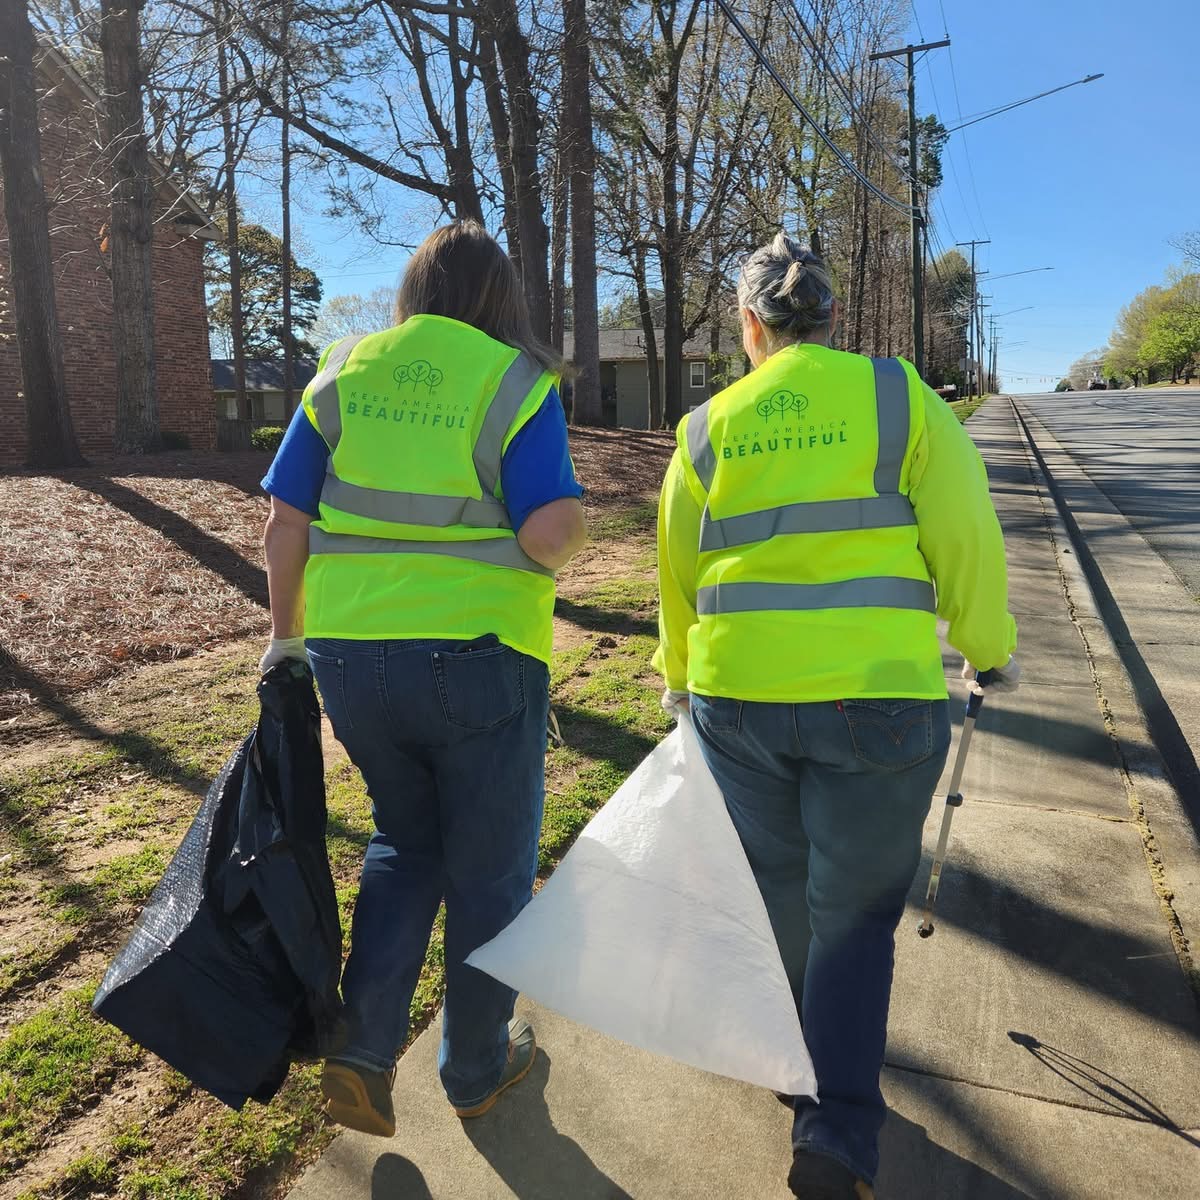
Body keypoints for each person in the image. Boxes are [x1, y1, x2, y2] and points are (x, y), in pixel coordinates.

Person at [653, 233, 1019, 1200]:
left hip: (740, 705)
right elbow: (965, 536)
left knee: (781, 893)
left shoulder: (705, 430)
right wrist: (988, 649)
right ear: (832, 317)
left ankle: (795, 1065)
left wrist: (679, 680)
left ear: (748, 326)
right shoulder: (900, 399)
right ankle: (837, 1132)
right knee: (854, 916)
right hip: (877, 705)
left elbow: (678, 580)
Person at [258, 219, 587, 1137]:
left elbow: (285, 524)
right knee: (490, 874)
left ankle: (363, 1049)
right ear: (501, 298)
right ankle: (475, 1066)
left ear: (412, 291)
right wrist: (573, 523)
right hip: (480, 662)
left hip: (352, 661)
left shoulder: (343, 369)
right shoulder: (516, 380)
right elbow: (548, 534)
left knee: (406, 844)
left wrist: (284, 641)